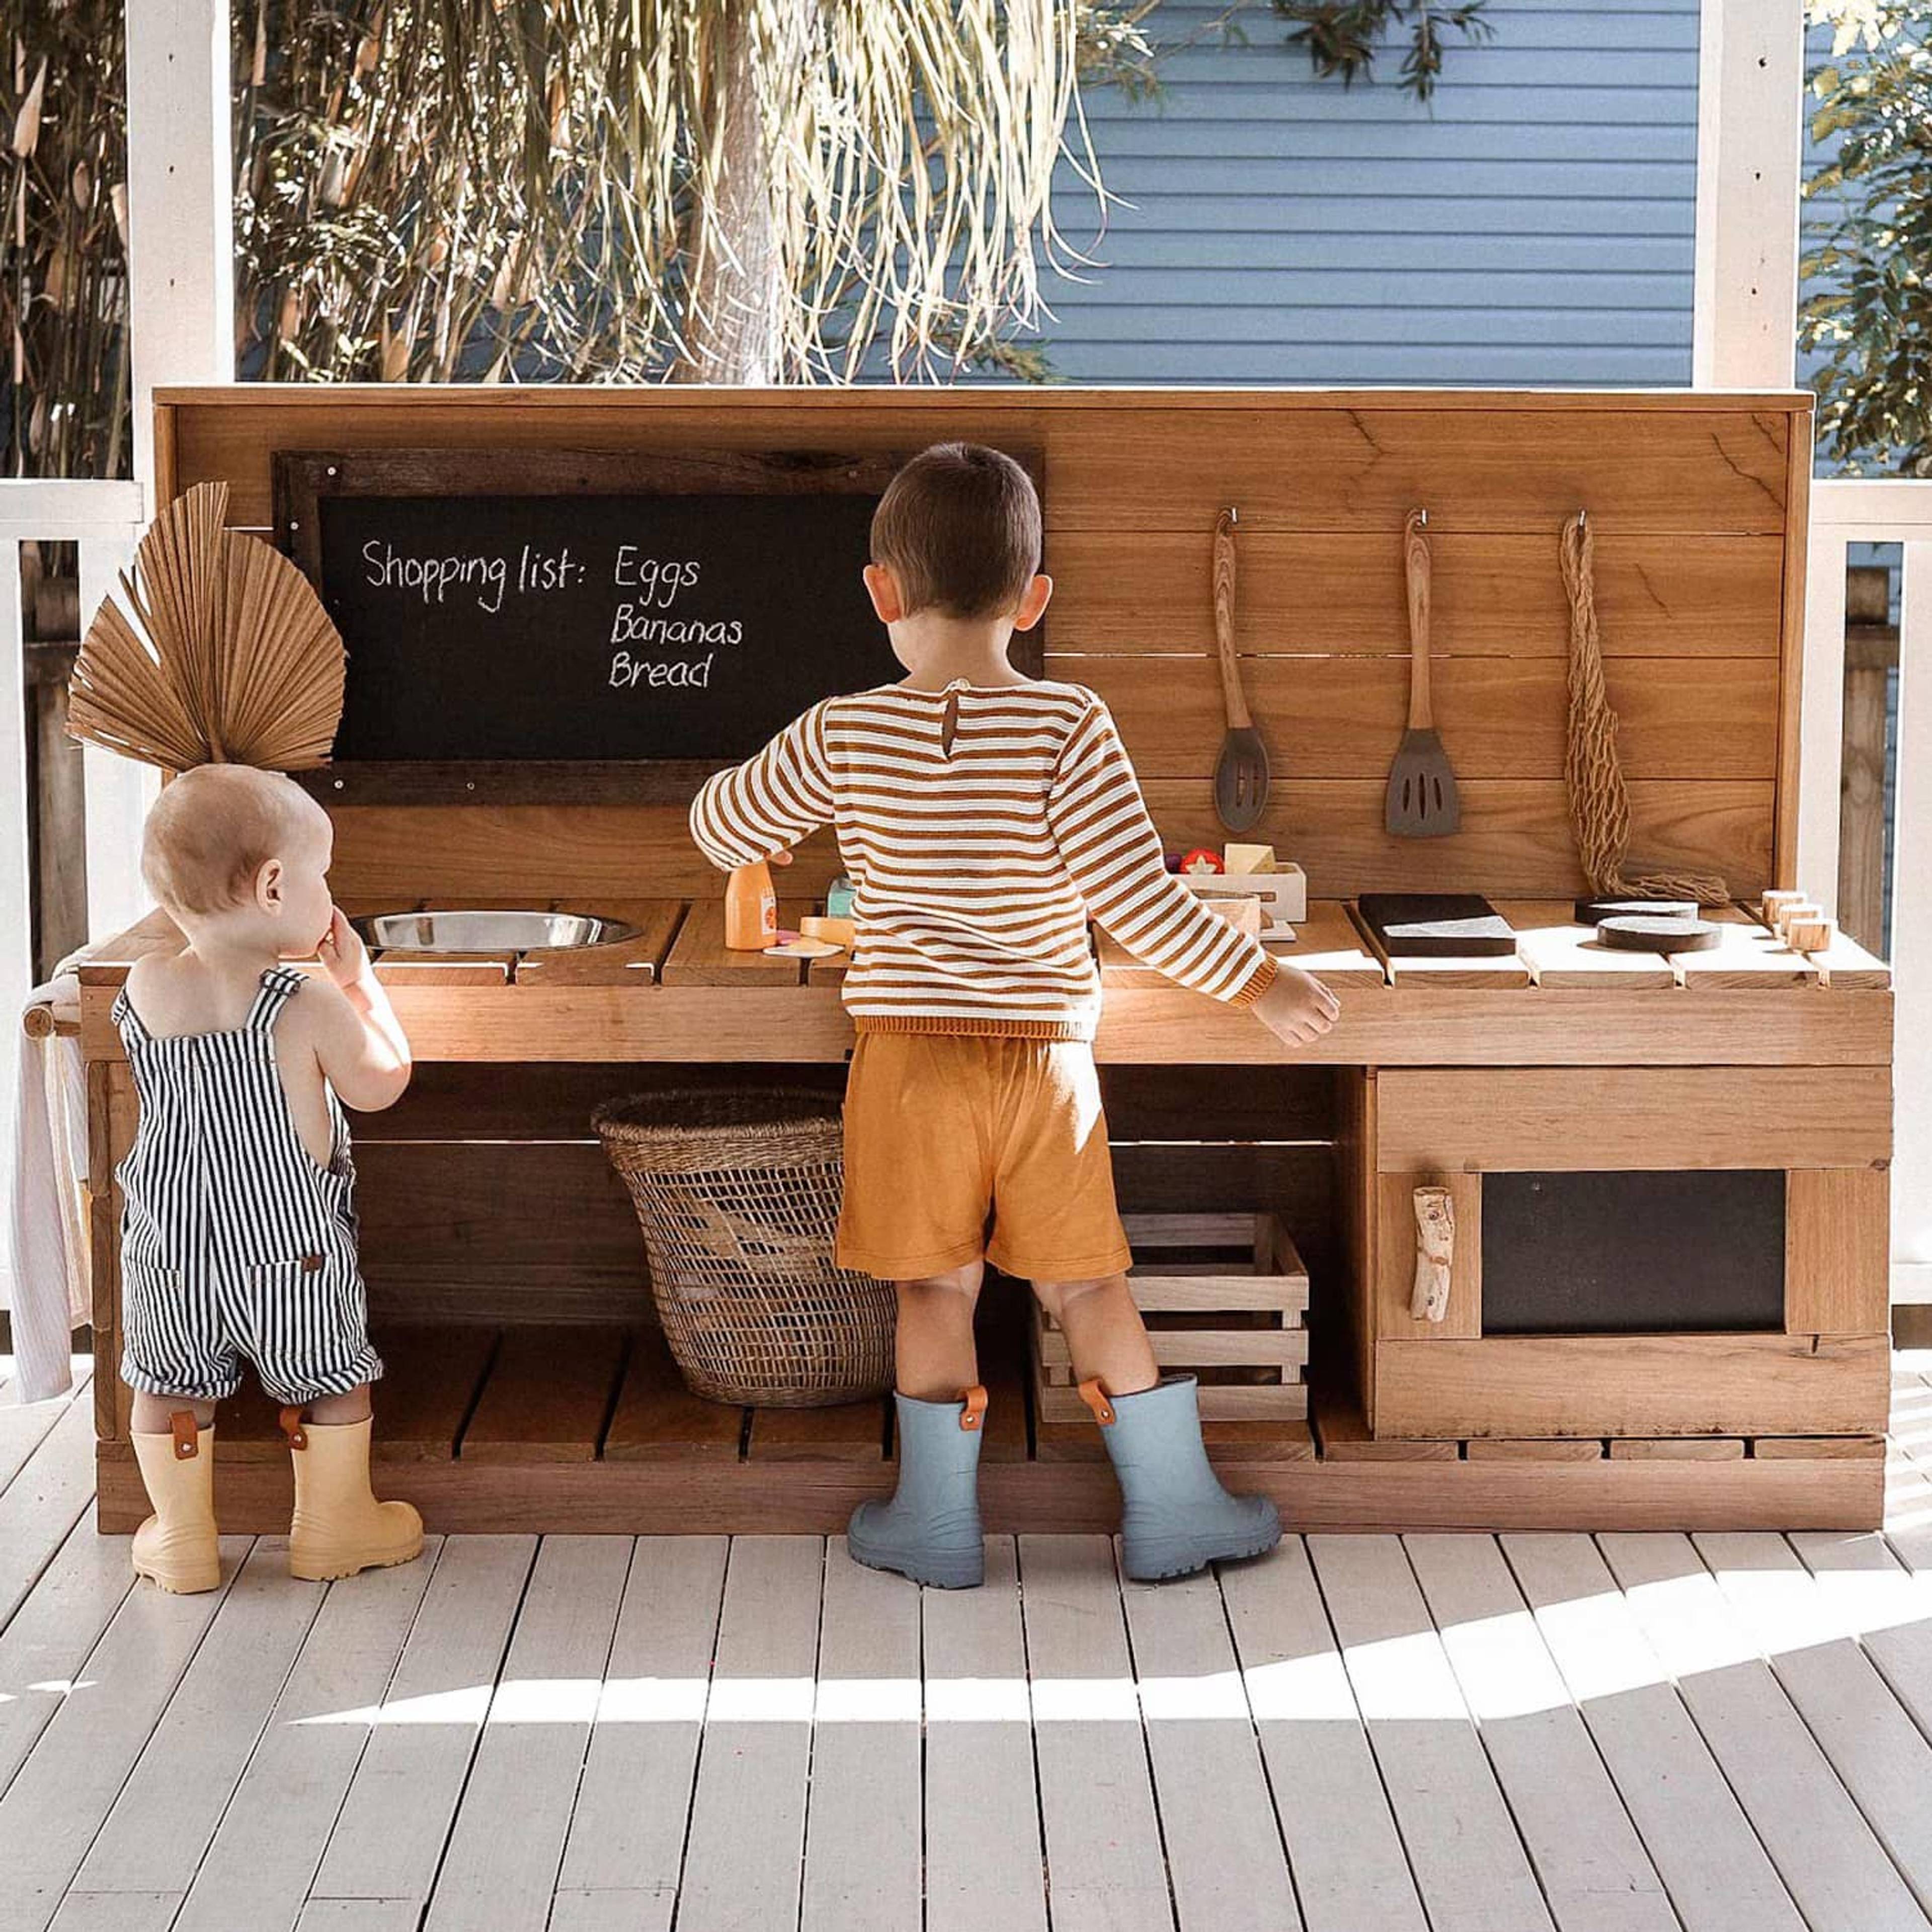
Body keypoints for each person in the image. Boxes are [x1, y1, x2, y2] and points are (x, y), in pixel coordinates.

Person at [691, 442, 1338, 1587]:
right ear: (1033, 601)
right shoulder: (1070, 725)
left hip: (906, 1066)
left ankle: (937, 1528)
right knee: (1088, 1284)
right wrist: (1261, 981)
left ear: (881, 593)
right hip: (1048, 1069)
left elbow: (717, 826)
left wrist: (774, 825)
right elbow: (1137, 902)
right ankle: (1173, 1512)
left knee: (935, 1290)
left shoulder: (845, 732)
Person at [113, 763, 421, 1592]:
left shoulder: (147, 986)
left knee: (168, 1388)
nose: (329, 895)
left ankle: (181, 1539)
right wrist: (359, 981)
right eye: (323, 877)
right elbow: (382, 1081)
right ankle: (332, 1529)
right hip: (290, 1257)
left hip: (170, 1253)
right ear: (276, 886)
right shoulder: (304, 1000)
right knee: (331, 1380)